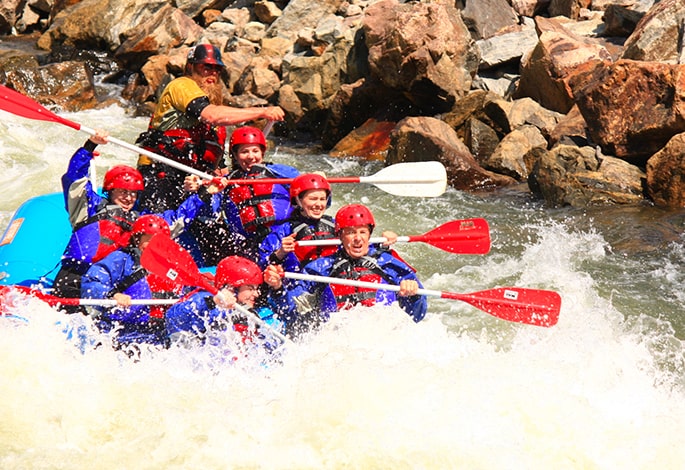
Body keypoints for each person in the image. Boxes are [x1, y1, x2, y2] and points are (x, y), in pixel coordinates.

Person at [52, 131, 212, 312]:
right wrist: (90, 145)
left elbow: (177, 219)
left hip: (112, 284)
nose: (129, 198)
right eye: (123, 192)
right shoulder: (89, 207)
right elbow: (75, 178)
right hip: (75, 279)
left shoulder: (141, 222)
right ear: (110, 190)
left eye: (133, 193)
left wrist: (204, 194)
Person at [135, 43, 285, 212]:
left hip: (196, 184)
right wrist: (262, 112)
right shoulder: (182, 85)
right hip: (160, 177)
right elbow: (212, 115)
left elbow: (219, 167)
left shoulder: (215, 117)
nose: (212, 73)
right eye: (206, 67)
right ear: (190, 67)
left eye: (217, 69)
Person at [288, 204, 427, 336]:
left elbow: (417, 315)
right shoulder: (321, 267)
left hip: (385, 338)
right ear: (340, 236)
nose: (358, 239)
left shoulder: (388, 263)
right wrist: (277, 288)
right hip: (334, 342)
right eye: (351, 232)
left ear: (369, 235)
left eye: (362, 232)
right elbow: (292, 307)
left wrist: (414, 296)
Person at [81, 215, 180, 349]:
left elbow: (184, 295)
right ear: (137, 239)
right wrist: (113, 295)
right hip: (118, 334)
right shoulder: (121, 259)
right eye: (149, 241)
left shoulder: (171, 268)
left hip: (155, 337)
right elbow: (91, 282)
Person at [164, 255, 296, 349]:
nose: (256, 294)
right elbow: (173, 317)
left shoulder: (252, 311)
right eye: (250, 288)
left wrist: (278, 289)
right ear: (232, 288)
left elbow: (291, 315)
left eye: (256, 289)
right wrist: (212, 302)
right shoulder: (204, 301)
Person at [217, 126, 300, 261]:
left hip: (284, 238)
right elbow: (209, 211)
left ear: (262, 153)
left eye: (255, 151)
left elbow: (315, 198)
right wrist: (201, 189)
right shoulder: (226, 182)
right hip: (248, 245)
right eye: (244, 151)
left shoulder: (280, 172)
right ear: (235, 155)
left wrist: (317, 181)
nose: (251, 156)